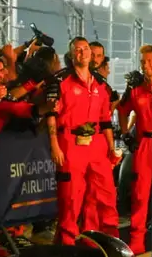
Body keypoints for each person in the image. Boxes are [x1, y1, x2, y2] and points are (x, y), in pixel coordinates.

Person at [46, 37, 119, 245]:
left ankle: (108, 244)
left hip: (96, 145)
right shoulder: (60, 81)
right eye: (77, 50)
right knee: (70, 199)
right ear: (71, 55)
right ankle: (67, 248)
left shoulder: (101, 84)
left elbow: (105, 120)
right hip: (69, 143)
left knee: (105, 196)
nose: (83, 53)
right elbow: (50, 113)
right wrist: (54, 144)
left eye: (85, 49)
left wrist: (112, 148)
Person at [119, 45, 152, 254]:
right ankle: (137, 241)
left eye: (150, 61)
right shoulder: (135, 90)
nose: (146, 65)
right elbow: (121, 109)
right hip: (144, 144)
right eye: (143, 61)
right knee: (139, 194)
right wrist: (125, 133)